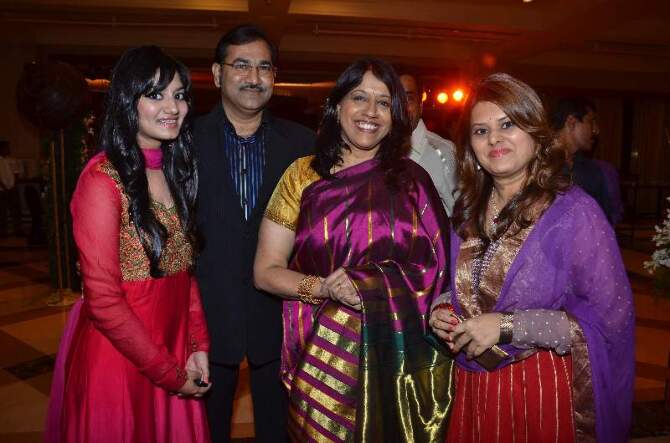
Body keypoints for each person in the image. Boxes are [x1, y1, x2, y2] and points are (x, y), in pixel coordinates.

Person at [254, 58, 454, 442]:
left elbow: (439, 273)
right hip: (321, 357)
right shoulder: (302, 176)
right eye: (359, 97)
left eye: (383, 102)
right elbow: (265, 271)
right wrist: (325, 288)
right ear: (337, 106)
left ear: (396, 115)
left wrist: (375, 286)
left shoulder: (414, 182)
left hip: (396, 356)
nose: (370, 112)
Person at [429, 73, 634, 443]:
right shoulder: (466, 211)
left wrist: (509, 326)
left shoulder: (574, 213)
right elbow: (463, 288)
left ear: (536, 133)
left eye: (508, 124)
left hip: (539, 391)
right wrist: (443, 310)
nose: (494, 139)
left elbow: (608, 321)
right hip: (473, 387)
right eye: (480, 131)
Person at [45, 46, 211, 443]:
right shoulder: (102, 181)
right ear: (126, 100)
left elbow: (183, 271)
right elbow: (102, 299)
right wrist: (169, 373)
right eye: (155, 94)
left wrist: (196, 344)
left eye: (179, 94)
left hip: (172, 347)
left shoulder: (175, 169)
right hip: (120, 358)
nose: (173, 106)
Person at [194, 24, 315, 442]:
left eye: (264, 67)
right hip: (205, 317)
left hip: (280, 317)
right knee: (206, 431)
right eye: (241, 65)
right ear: (216, 73)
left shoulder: (303, 145)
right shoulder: (185, 140)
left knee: (279, 430)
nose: (254, 77)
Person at [398, 71, 458, 215]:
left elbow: (461, 217)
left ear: (420, 105)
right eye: (393, 98)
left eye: (408, 98)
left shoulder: (443, 152)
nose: (400, 106)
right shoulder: (373, 151)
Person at [550, 97, 616, 223]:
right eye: (591, 122)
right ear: (571, 122)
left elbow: (602, 220)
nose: (596, 130)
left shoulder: (591, 170)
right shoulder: (538, 164)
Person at [0, 141, 15, 237]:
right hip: (1, 190)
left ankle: (7, 230)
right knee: (2, 212)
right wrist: (4, 187)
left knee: (9, 210)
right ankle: (2, 232)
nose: (8, 150)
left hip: (9, 188)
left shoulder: (6, 160)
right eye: (6, 148)